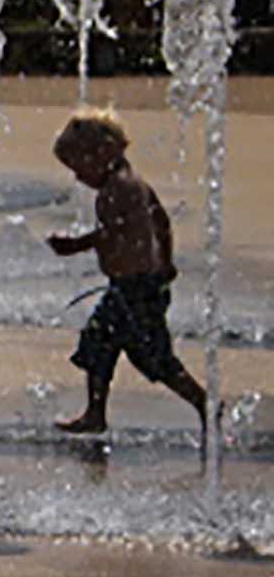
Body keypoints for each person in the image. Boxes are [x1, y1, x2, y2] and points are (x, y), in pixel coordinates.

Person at [46, 110, 206, 437]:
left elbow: (115, 233)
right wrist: (165, 260)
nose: (78, 178)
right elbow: (161, 220)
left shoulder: (119, 189)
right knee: (99, 342)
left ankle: (204, 403)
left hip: (137, 289)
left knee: (153, 357)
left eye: (80, 167)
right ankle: (95, 414)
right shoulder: (133, 183)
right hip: (132, 285)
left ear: (104, 152)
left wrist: (77, 244)